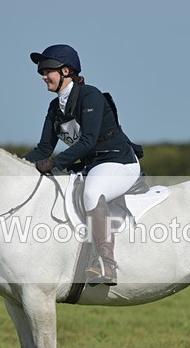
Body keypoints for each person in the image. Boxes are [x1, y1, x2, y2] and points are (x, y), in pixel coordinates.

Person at [25, 44, 144, 286]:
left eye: (47, 71)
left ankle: (107, 264)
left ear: (66, 71)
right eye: (41, 72)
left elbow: (88, 141)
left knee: (92, 192)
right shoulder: (54, 107)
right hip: (92, 166)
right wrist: (16, 167)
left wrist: (55, 163)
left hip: (118, 162)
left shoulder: (90, 95)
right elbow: (44, 149)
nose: (43, 76)